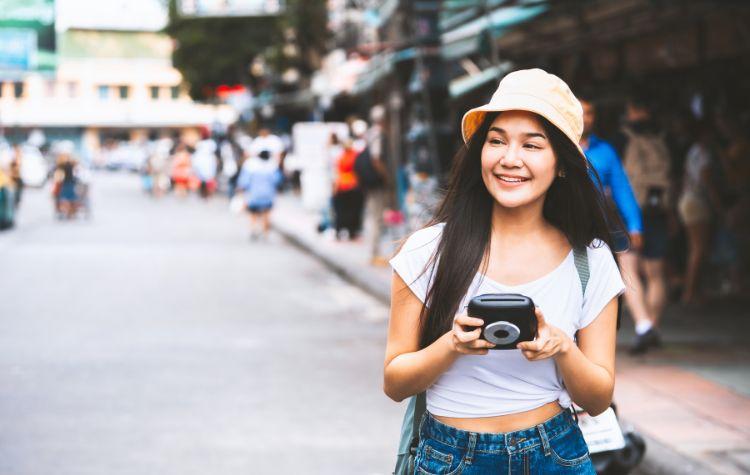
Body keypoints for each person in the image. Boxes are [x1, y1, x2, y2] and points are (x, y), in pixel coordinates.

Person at [385, 69, 625, 474]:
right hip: (450, 457)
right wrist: (451, 346)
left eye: (532, 145)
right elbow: (395, 382)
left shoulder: (590, 258)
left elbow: (599, 398)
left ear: (562, 164)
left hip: (556, 454)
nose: (509, 159)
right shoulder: (428, 250)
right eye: (496, 141)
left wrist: (562, 347)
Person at [579, 98, 653, 355]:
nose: (585, 117)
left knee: (626, 268)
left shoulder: (605, 151)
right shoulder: (554, 145)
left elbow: (622, 189)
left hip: (599, 225)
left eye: (590, 112)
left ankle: (644, 325)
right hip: (561, 226)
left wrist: (635, 226)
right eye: (580, 112)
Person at [616, 96, 671, 354]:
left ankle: (643, 326)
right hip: (658, 209)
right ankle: (654, 327)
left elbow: (618, 181)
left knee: (629, 270)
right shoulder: (664, 135)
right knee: (656, 273)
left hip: (631, 211)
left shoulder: (624, 138)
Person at [677, 123, 721, 304]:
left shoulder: (693, 151)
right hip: (697, 201)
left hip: (687, 199)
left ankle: (693, 290)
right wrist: (719, 207)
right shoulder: (704, 155)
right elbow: (707, 182)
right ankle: (689, 292)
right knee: (698, 249)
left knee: (695, 248)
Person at [236, 148, 282, 241]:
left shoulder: (251, 166)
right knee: (266, 214)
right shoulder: (272, 167)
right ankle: (265, 233)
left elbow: (244, 181)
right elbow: (277, 181)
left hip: (254, 195)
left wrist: (241, 190)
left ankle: (253, 229)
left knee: (253, 213)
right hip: (268, 195)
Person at [332, 139, 364, 240]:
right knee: (353, 210)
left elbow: (337, 172)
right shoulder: (355, 156)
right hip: (353, 185)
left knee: (341, 211)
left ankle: (339, 231)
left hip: (342, 186)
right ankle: (352, 232)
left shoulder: (341, 157)